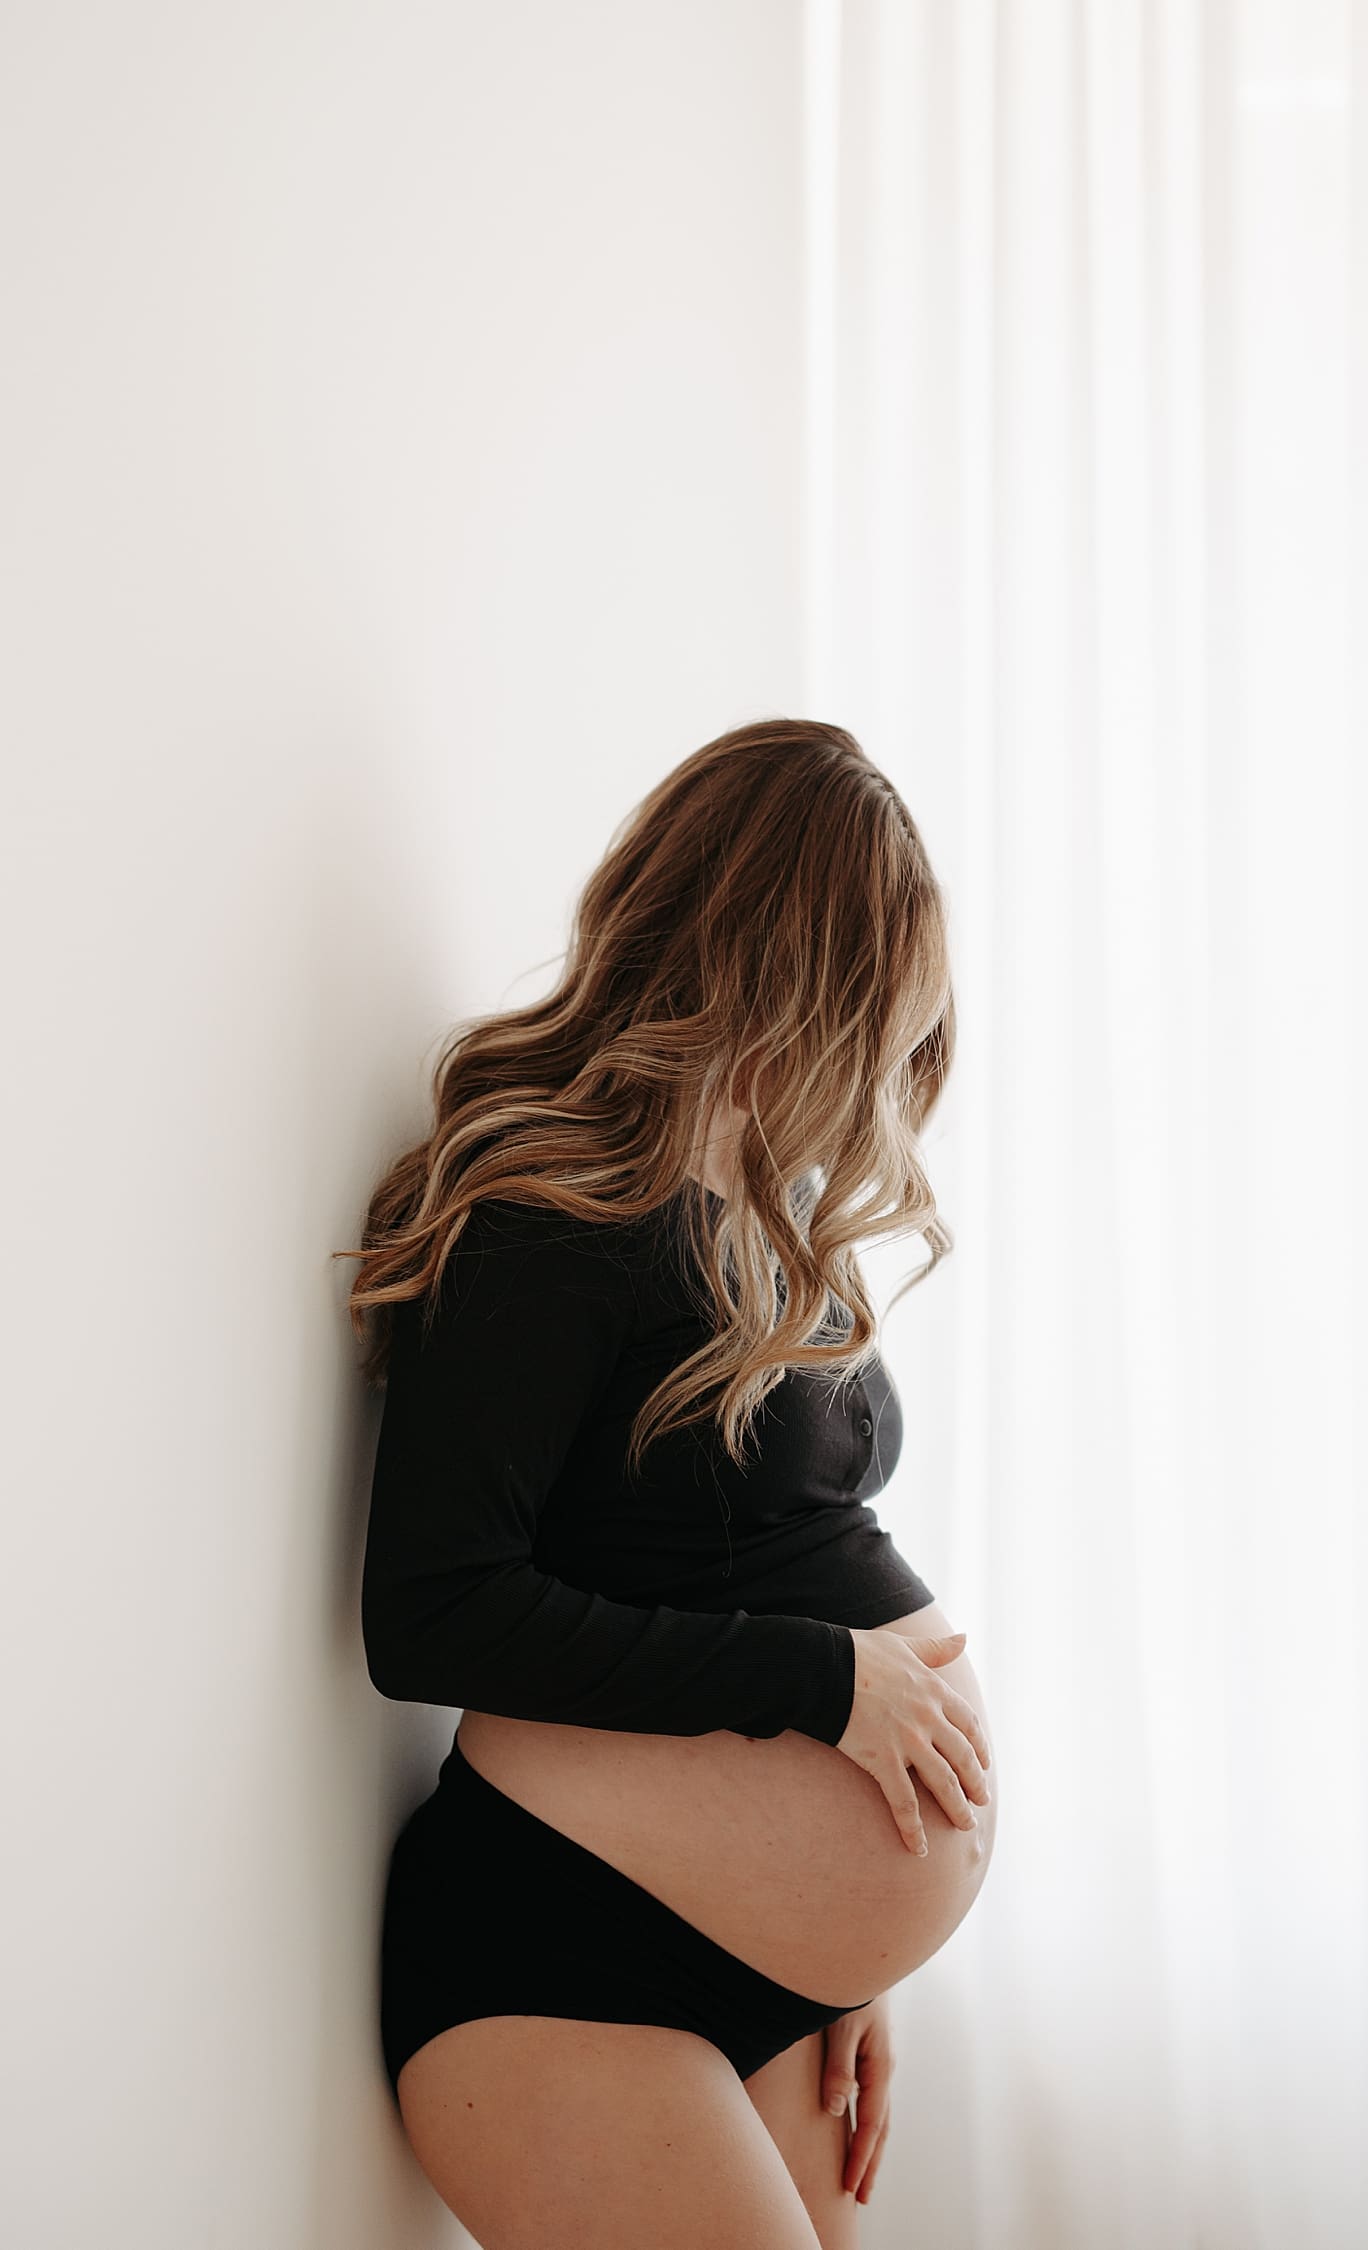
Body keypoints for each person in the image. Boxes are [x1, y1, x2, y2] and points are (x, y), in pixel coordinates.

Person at [341, 717, 997, 2250]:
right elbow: (432, 1611)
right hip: (563, 1953)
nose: (869, 1073)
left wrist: (843, 1951)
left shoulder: (769, 1214)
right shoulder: (545, 1209)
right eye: (863, 1016)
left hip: (755, 1970)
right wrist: (826, 1684)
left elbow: (747, 1545)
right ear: (774, 971)